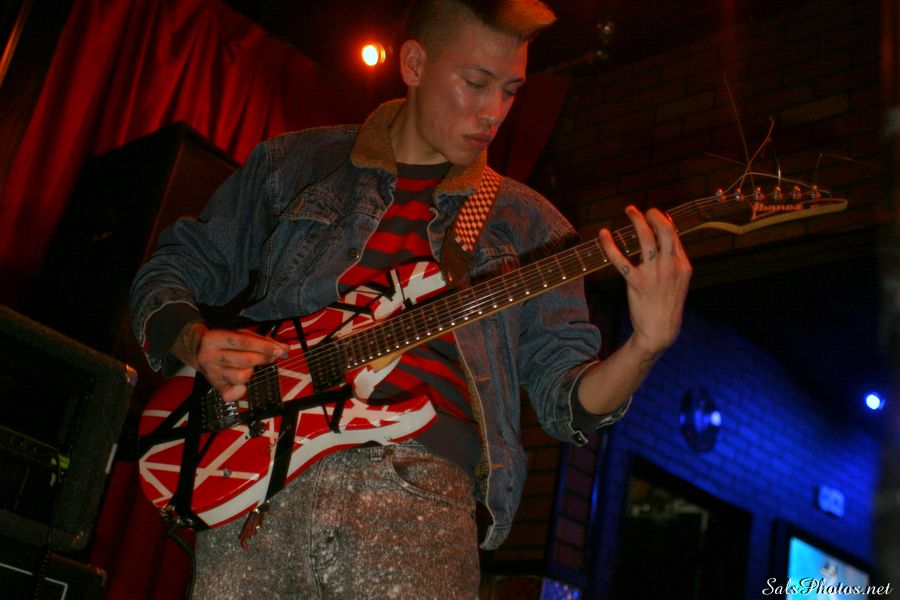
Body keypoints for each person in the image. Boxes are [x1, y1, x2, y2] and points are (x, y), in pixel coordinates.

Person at [130, 0, 692, 597]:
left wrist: (646, 346)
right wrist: (195, 340)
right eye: (476, 83)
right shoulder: (293, 164)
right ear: (415, 64)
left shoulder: (532, 224)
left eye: (510, 91)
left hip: (419, 499)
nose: (494, 112)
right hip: (257, 486)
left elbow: (566, 402)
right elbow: (171, 269)